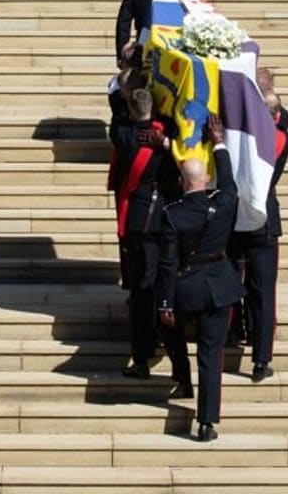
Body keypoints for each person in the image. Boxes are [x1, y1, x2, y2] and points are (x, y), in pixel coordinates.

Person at [157, 114, 243, 443]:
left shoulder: (172, 216)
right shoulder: (222, 204)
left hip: (186, 288)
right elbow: (231, 183)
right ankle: (207, 422)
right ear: (205, 179)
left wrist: (164, 301)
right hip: (219, 286)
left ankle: (182, 378)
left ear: (182, 182)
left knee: (172, 331)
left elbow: (167, 263)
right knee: (210, 353)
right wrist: (218, 141)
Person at [108, 88, 179, 379]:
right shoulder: (166, 136)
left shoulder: (124, 135)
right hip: (163, 216)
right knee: (160, 284)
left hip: (139, 218)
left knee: (141, 290)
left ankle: (141, 355)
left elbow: (116, 116)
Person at [228, 90, 288, 383]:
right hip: (264, 220)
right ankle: (261, 359)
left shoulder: (240, 139)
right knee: (263, 293)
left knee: (231, 281)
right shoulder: (281, 138)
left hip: (237, 216)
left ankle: (232, 332)